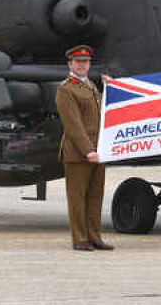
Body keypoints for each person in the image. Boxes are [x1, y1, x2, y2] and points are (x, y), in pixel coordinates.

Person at [55, 45, 114, 252]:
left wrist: (111, 88)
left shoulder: (90, 86)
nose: (82, 65)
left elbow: (100, 113)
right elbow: (74, 125)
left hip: (98, 150)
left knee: (95, 196)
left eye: (86, 62)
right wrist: (88, 150)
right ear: (70, 64)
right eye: (78, 62)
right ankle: (80, 238)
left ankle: (94, 236)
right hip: (78, 152)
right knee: (77, 197)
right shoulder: (66, 89)